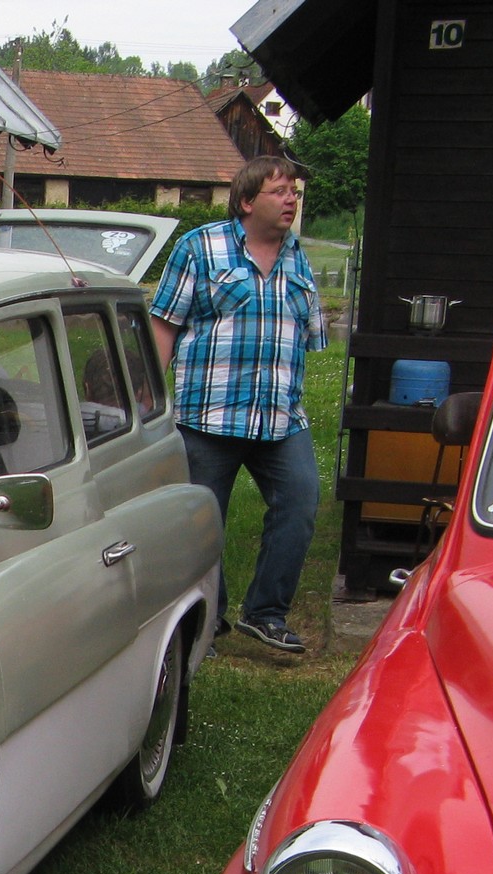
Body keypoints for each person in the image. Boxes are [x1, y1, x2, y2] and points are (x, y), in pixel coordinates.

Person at [151, 155, 327, 653]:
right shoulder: (199, 247)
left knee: (300, 502)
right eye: (280, 191)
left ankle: (266, 613)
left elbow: (307, 335)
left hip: (280, 417)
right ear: (247, 201)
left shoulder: (298, 258)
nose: (291, 200)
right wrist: (149, 396)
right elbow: (163, 325)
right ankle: (207, 621)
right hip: (209, 415)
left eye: (295, 192)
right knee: (202, 525)